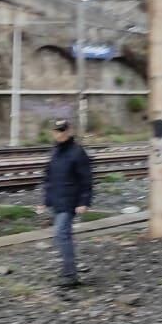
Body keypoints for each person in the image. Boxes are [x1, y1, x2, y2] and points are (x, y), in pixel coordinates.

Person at [42, 119, 93, 288]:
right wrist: (45, 201)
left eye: (63, 130)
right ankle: (69, 271)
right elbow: (49, 178)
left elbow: (86, 179)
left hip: (70, 201)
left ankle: (70, 275)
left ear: (69, 131)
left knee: (62, 235)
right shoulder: (55, 152)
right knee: (62, 236)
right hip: (57, 200)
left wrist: (84, 201)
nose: (60, 134)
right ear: (53, 132)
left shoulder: (77, 152)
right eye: (57, 131)